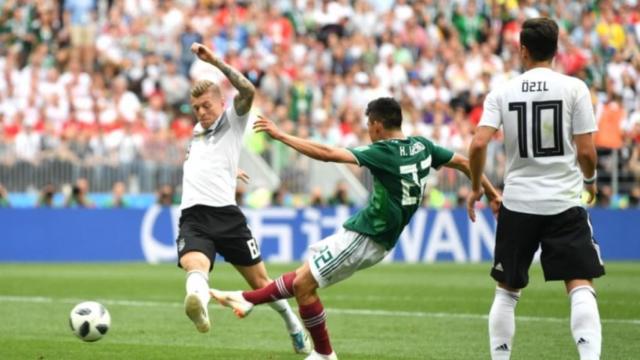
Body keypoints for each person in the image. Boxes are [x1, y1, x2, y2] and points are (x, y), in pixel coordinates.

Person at [210, 97, 501, 360]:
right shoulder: (423, 146)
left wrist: (280, 135)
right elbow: (464, 162)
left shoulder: (384, 151)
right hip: (365, 232)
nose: (367, 131)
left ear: (376, 125)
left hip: (368, 237)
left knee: (303, 285)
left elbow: (327, 153)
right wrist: (487, 192)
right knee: (302, 278)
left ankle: (255, 304)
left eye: (368, 125)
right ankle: (291, 331)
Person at [466, 18, 605, 360]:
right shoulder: (574, 89)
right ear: (556, 50)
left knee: (506, 292)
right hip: (564, 202)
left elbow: (477, 144)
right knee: (580, 284)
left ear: (522, 50)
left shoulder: (502, 93)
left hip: (518, 202)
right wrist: (589, 181)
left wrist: (476, 187)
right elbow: (586, 152)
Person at [176, 42, 311, 354]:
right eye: (196, 108)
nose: (201, 112)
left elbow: (248, 90)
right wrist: (230, 169)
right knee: (194, 266)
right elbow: (205, 161)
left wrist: (216, 62)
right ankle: (199, 304)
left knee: (261, 283)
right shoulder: (197, 132)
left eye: (206, 106)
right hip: (194, 216)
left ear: (221, 103)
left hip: (227, 217)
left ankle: (292, 324)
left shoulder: (232, 120)